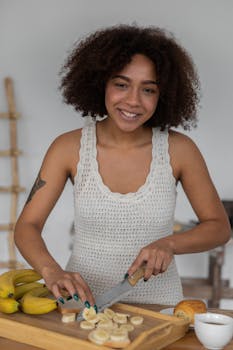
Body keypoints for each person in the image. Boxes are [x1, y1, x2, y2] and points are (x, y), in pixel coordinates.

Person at [14, 24, 231, 310]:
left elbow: (219, 228)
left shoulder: (180, 151)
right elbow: (27, 226)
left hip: (160, 309)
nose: (133, 101)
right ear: (101, 82)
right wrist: (52, 271)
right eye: (121, 84)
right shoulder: (68, 148)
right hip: (82, 307)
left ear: (162, 95)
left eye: (148, 89)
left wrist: (169, 244)